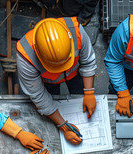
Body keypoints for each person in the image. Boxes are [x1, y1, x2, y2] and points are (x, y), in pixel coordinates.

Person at [17, 17, 97, 145]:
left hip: (75, 74)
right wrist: (64, 126)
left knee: (79, 96)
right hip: (49, 82)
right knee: (51, 97)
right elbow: (39, 96)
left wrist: (89, 93)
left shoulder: (76, 31)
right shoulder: (25, 55)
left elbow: (88, 62)